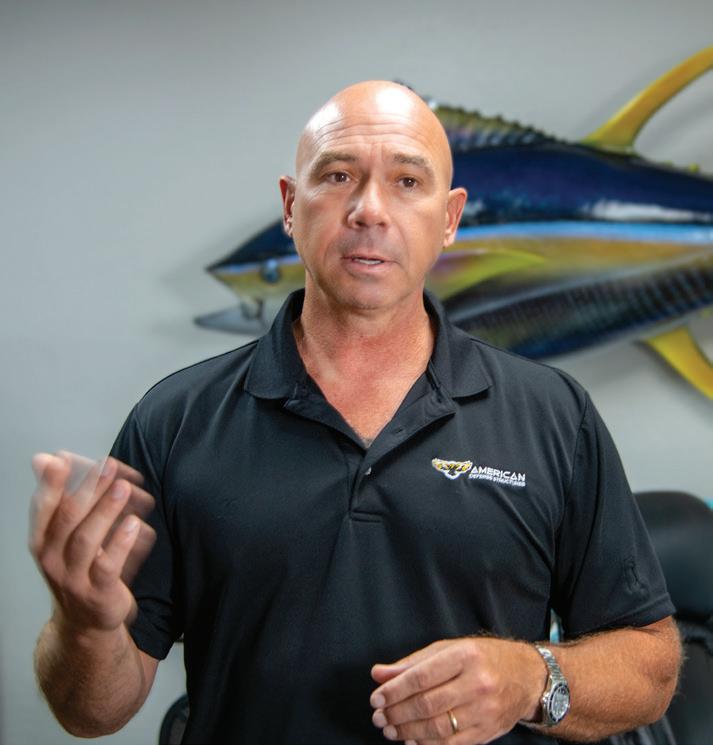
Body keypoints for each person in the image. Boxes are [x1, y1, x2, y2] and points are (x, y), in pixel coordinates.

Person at [30, 81, 681, 745]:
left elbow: (651, 666)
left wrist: (529, 677)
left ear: (450, 217)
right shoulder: (175, 421)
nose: (369, 209)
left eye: (407, 182)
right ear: (291, 206)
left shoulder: (553, 415)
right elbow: (90, 712)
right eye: (338, 175)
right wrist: (84, 628)